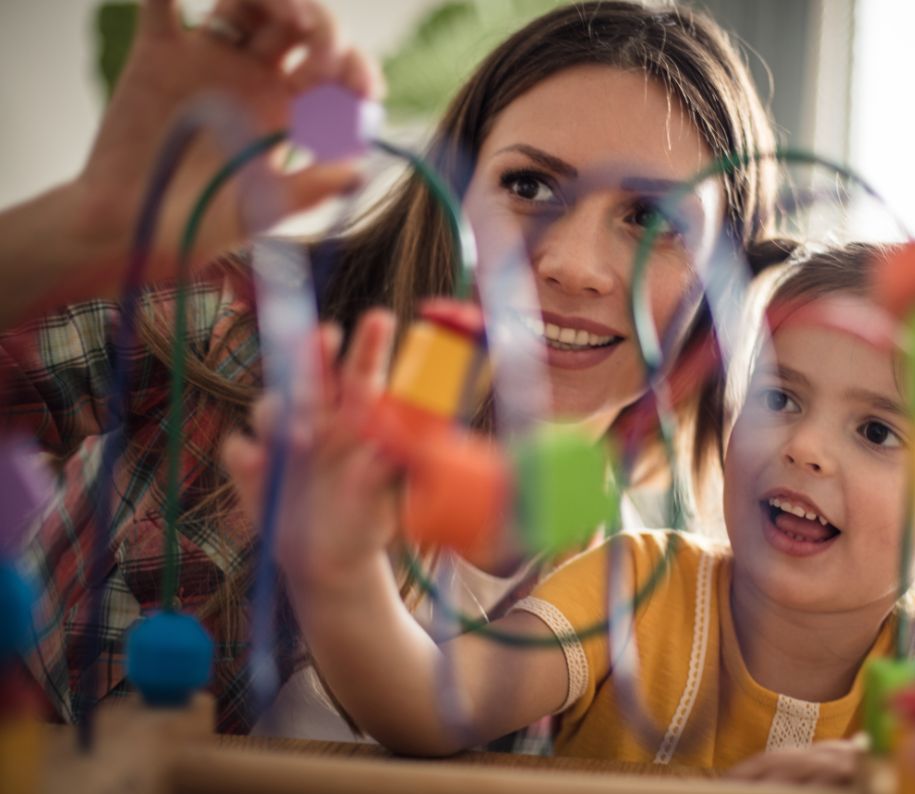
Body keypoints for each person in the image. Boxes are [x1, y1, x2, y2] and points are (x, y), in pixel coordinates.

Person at [0, 0, 778, 735]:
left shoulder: (633, 591)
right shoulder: (231, 330)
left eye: (652, 219)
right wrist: (84, 223)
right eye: (529, 185)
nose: (576, 266)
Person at [224, 242, 915, 794]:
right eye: (780, 396)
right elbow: (429, 703)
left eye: (874, 428)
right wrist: (341, 572)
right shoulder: (631, 583)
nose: (807, 446)